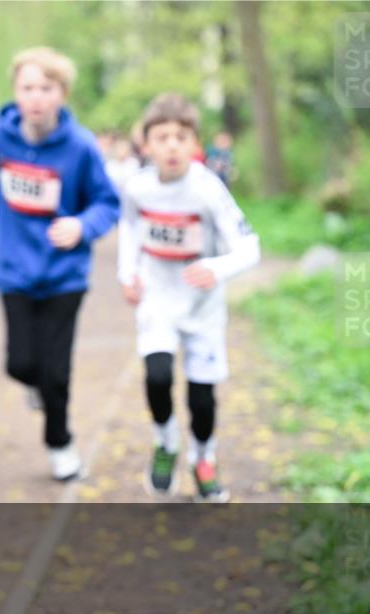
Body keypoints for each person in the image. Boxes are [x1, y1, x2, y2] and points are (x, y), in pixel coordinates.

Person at [117, 93, 260, 503]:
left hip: (203, 307)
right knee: (157, 377)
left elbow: (251, 248)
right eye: (162, 137)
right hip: (158, 301)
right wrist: (127, 274)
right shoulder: (137, 187)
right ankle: (166, 443)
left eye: (181, 136)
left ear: (195, 144)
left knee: (202, 397)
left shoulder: (208, 190)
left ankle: (204, 457)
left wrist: (216, 268)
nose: (172, 145)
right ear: (147, 145)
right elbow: (129, 229)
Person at [0, 47, 120, 481]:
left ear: (62, 94)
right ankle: (38, 386)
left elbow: (107, 203)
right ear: (16, 93)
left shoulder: (81, 147)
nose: (36, 97)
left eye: (46, 88)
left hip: (65, 275)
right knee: (21, 365)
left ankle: (60, 443)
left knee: (57, 370)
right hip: (14, 272)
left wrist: (81, 226)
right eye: (28, 88)